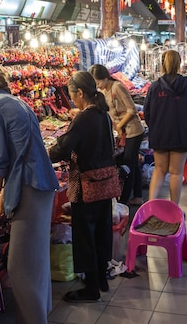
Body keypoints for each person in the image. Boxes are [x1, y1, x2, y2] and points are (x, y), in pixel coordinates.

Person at [0, 64, 59, 324]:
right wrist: (2, 199)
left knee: (19, 269)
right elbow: (16, 155)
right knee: (36, 264)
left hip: (29, 187)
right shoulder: (16, 102)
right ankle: (35, 316)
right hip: (40, 185)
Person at [48, 71, 114, 303]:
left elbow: (64, 147)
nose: (71, 99)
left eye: (72, 94)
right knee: (101, 231)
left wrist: (47, 151)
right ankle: (101, 279)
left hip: (88, 184)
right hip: (105, 183)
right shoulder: (102, 114)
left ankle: (91, 289)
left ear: (80, 93)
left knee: (85, 234)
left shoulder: (85, 118)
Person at [144, 50, 187, 205]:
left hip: (160, 134)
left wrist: (156, 126)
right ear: (179, 63)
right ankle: (174, 208)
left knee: (159, 170)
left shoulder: (154, 87)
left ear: (162, 64)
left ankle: (150, 206)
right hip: (181, 134)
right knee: (176, 173)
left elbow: (147, 113)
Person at [89, 64, 145, 205]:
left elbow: (131, 110)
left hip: (133, 131)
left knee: (128, 164)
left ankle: (124, 200)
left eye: (98, 82)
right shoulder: (105, 91)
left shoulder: (117, 87)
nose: (98, 85)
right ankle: (138, 196)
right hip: (124, 132)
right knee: (132, 163)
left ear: (106, 77)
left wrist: (119, 125)